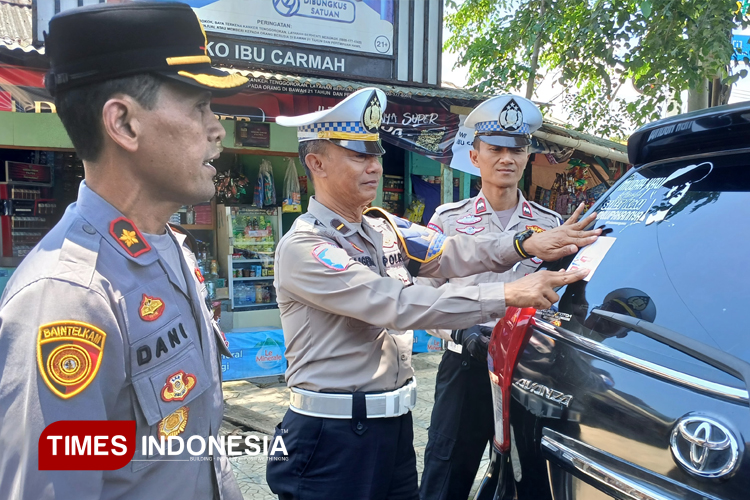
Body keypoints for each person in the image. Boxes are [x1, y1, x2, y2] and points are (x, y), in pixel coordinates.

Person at [265, 87, 601, 500]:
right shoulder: (307, 247)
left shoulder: (383, 229)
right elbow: (396, 303)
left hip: (392, 427)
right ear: (316, 163)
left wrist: (524, 245)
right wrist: (510, 292)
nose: (374, 167)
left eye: (376, 155)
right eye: (359, 156)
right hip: (331, 438)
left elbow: (451, 252)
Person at [0, 3, 249, 499]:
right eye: (199, 105)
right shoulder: (70, 298)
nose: (218, 128)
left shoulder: (170, 252)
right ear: (124, 124)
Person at [419, 95, 565, 500]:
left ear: (527, 156)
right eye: (496, 149)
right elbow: (422, 296)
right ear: (475, 155)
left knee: (532, 478)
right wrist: (460, 332)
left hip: (529, 372)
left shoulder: (548, 226)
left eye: (516, 149)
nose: (506, 158)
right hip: (466, 364)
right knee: (445, 473)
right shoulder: (447, 221)